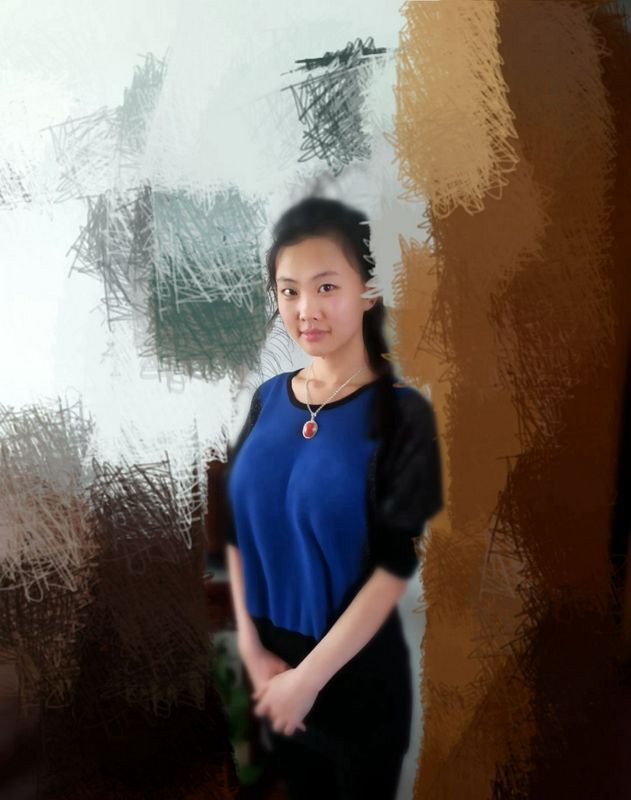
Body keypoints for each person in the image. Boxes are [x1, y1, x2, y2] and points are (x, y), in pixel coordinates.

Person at [222, 196, 443, 799]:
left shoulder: (404, 416)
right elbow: (237, 529)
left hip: (353, 684)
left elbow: (394, 568)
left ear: (367, 292)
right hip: (271, 672)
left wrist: (307, 681)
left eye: (326, 287)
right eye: (289, 291)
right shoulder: (268, 397)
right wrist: (252, 649)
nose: (306, 310)